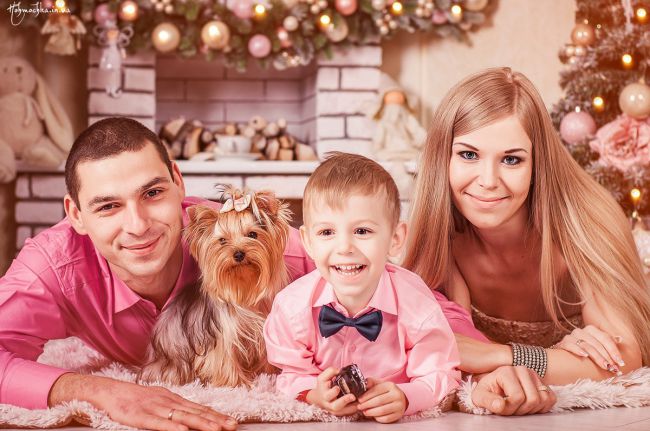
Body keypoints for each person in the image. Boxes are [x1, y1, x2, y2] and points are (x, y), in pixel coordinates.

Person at [0, 117, 315, 431]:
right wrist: (98, 391)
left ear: (178, 182)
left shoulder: (280, 251)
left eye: (152, 193)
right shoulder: (51, 268)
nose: (138, 226)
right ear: (76, 215)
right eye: (108, 206)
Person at [403, 67, 650, 415]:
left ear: (537, 164)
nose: (488, 180)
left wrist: (498, 355)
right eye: (469, 155)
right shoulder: (440, 236)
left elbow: (623, 361)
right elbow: (424, 354)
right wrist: (547, 362)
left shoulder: (586, 222)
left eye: (511, 159)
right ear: (442, 158)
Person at [263, 153, 461, 423]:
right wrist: (313, 394)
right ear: (308, 242)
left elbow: (441, 373)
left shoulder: (415, 304)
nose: (345, 247)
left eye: (362, 231)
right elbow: (291, 375)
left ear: (395, 239)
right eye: (327, 232)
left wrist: (407, 397)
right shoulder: (292, 307)